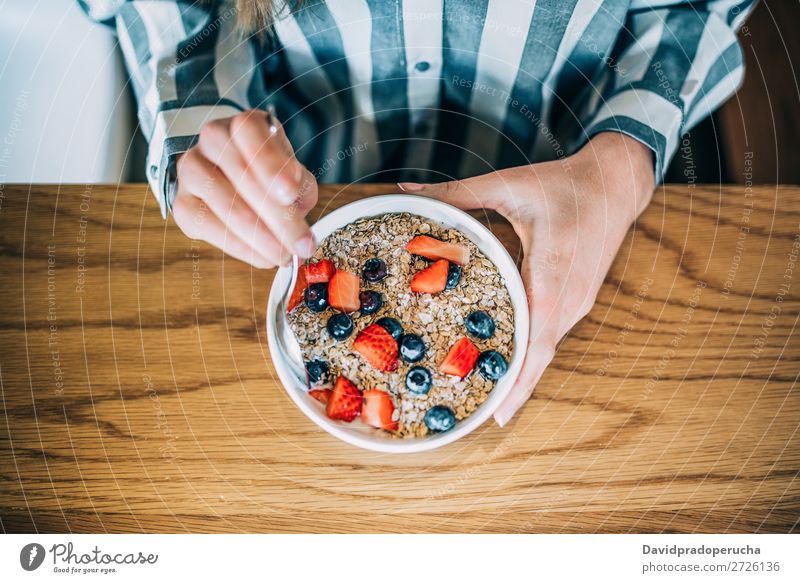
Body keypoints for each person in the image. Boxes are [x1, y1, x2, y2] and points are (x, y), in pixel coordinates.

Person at [81, 0, 754, 425]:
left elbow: (700, 11)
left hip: (551, 183)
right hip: (306, 181)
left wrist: (621, 163)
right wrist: (204, 128)